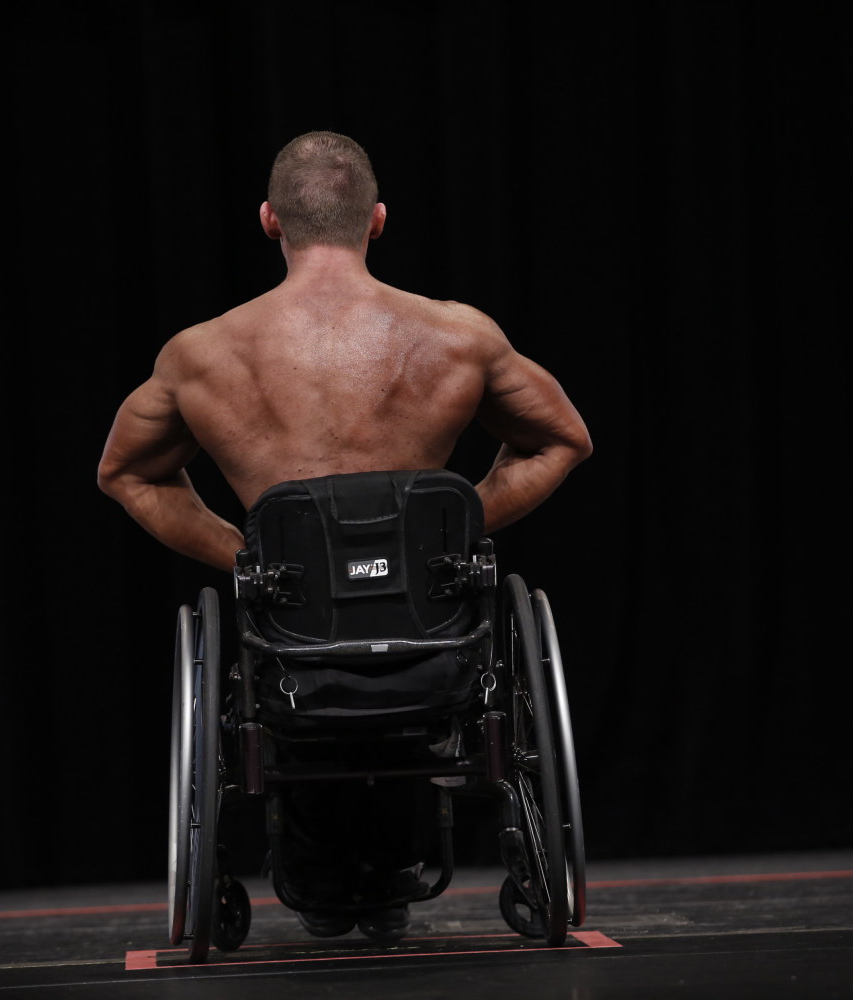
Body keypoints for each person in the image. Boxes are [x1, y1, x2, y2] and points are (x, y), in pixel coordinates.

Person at [98, 131, 592, 939]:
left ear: (269, 220)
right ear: (377, 219)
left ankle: (325, 879)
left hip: (292, 641)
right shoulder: (460, 336)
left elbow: (124, 473)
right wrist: (443, 544)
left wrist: (253, 563)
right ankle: (376, 872)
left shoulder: (200, 354)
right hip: (431, 634)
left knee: (293, 688)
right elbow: (564, 440)